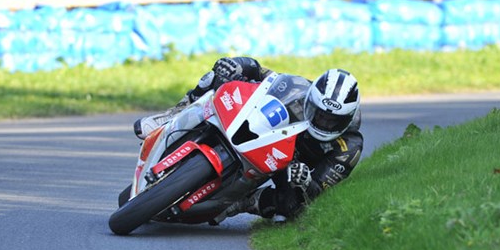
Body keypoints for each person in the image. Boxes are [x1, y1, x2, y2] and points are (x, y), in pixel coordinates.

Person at [133, 57, 364, 220]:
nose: (324, 122)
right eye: (319, 113)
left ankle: (245, 201)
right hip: (262, 134)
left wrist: (304, 181)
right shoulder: (300, 87)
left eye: (333, 120)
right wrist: (236, 64)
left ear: (348, 117)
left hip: (288, 165)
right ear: (312, 99)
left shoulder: (349, 146)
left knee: (293, 208)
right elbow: (259, 71)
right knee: (216, 75)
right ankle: (172, 114)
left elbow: (317, 191)